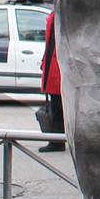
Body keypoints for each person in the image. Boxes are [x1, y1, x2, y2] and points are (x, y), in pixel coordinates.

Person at [39, 12, 65, 153]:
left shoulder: (60, 14)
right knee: (57, 106)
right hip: (53, 65)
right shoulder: (57, 13)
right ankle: (56, 139)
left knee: (58, 107)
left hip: (57, 66)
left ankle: (57, 141)